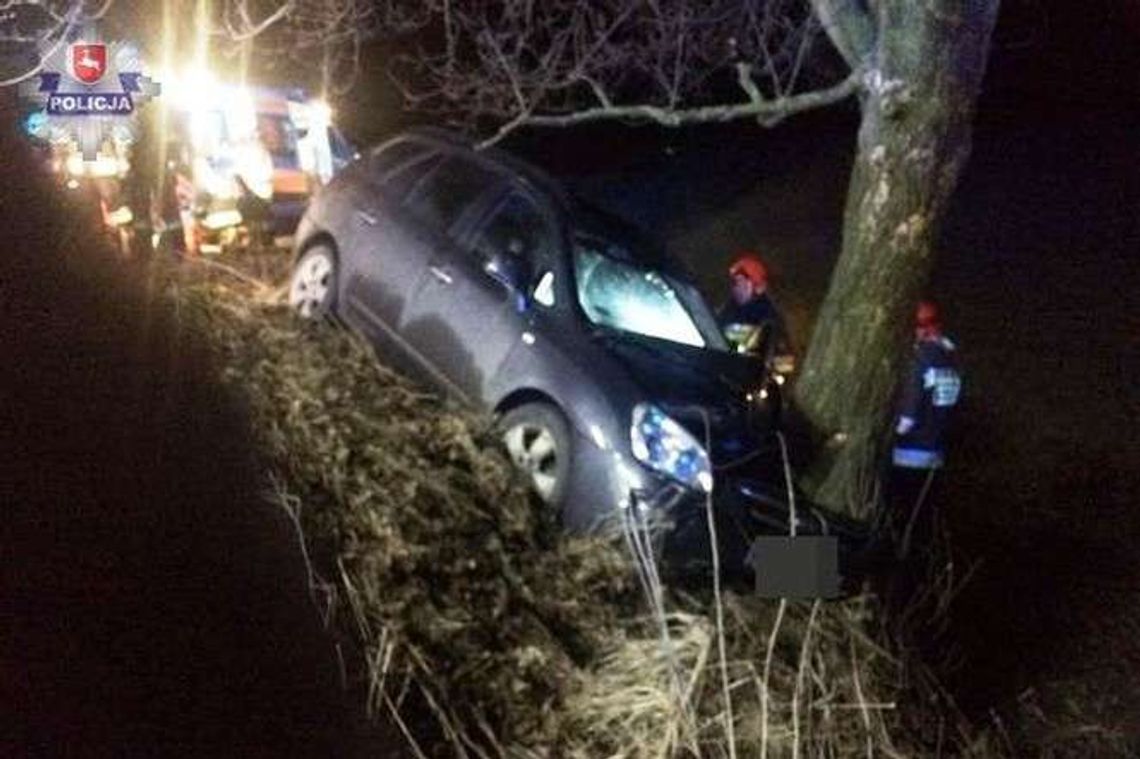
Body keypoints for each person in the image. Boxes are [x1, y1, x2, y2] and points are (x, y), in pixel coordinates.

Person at [891, 299, 962, 557]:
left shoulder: (919, 359)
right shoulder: (951, 359)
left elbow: (905, 421)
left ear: (920, 329)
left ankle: (891, 579)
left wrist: (884, 433)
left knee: (899, 524)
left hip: (908, 456)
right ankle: (919, 576)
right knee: (921, 527)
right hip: (936, 456)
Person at [717, 252, 789, 358]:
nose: (737, 288)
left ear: (758, 287)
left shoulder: (769, 319)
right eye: (735, 283)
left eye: (742, 282)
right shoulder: (728, 309)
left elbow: (781, 358)